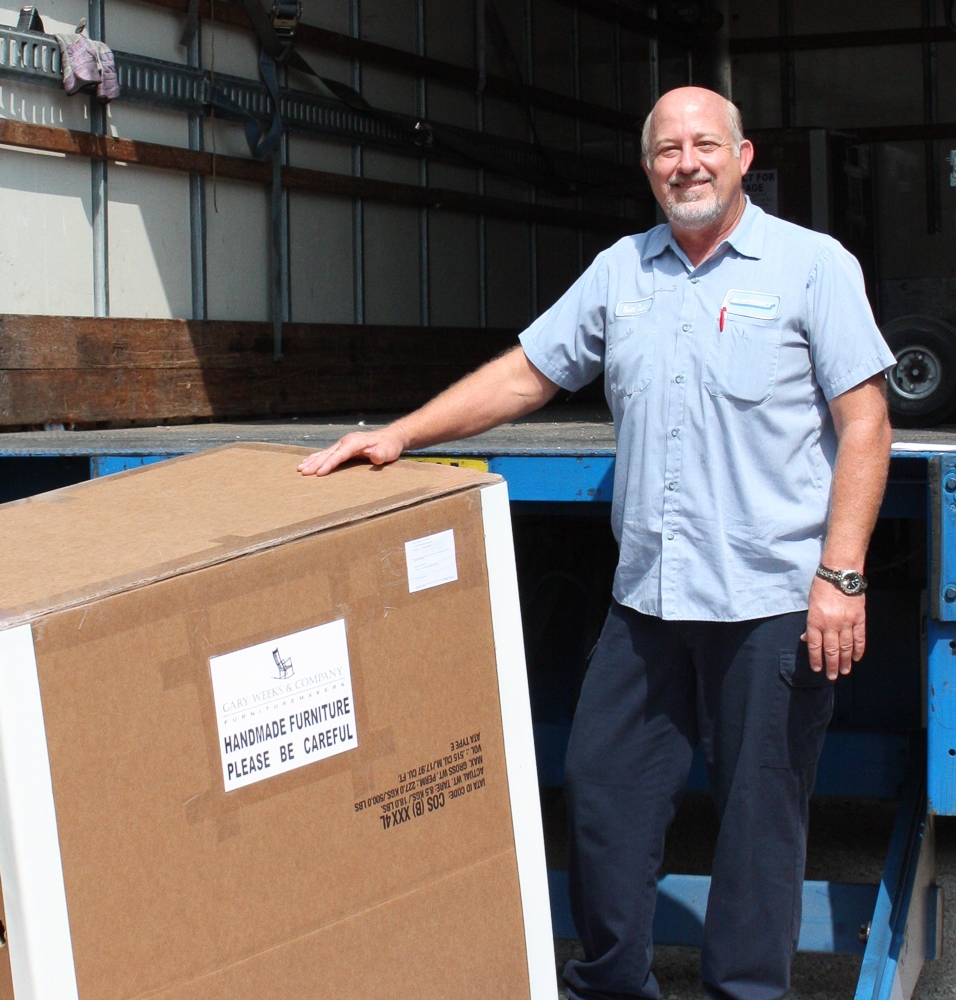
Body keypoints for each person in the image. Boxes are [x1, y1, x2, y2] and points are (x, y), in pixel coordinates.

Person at [299, 86, 894, 1000]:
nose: (685, 162)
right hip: (648, 600)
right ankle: (612, 983)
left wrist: (841, 578)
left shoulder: (813, 267)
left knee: (757, 822)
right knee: (604, 796)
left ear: (743, 157)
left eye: (705, 144)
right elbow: (529, 375)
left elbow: (865, 424)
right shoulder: (623, 272)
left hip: (772, 602)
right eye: (666, 149)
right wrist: (404, 433)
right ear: (648, 166)